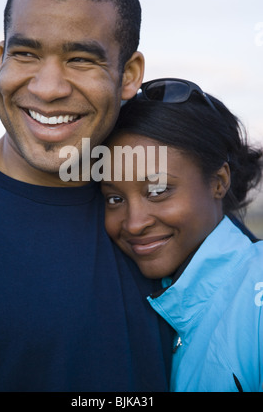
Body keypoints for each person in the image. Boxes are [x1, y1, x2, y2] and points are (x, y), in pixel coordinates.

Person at [0, 0, 172, 392]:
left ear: (129, 75)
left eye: (80, 59)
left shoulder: (174, 206)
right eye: (25, 53)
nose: (48, 88)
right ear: (1, 58)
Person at [101, 78, 263, 392]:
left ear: (218, 182)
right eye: (114, 199)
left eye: (158, 191)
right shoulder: (154, 298)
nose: (134, 224)